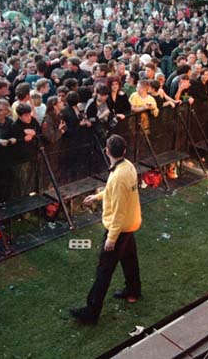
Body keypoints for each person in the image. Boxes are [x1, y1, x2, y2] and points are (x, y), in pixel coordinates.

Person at [70, 134, 141, 324]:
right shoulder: (128, 167)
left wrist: (111, 238)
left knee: (104, 270)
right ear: (124, 151)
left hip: (120, 228)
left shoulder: (118, 175)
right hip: (130, 224)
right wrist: (98, 197)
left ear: (106, 151)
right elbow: (117, 193)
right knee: (129, 260)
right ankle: (133, 290)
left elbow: (118, 210)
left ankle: (91, 312)